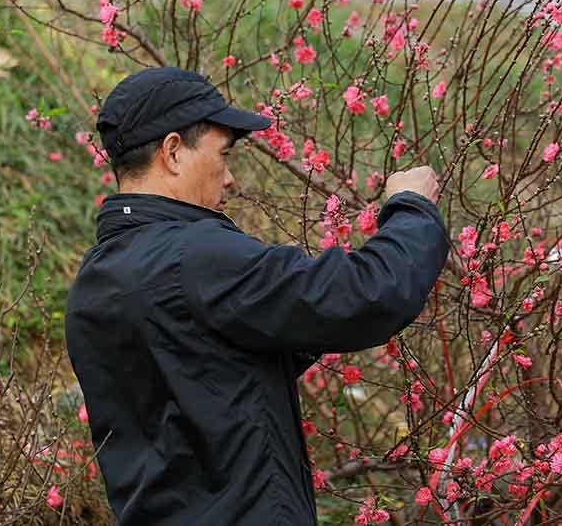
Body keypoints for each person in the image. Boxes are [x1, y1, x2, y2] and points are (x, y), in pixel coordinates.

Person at [65, 67, 450, 525]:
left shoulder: (95, 280)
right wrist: (411, 208)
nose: (228, 180)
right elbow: (368, 294)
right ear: (172, 152)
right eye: (223, 156)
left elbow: (214, 371)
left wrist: (303, 319)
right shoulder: (195, 256)